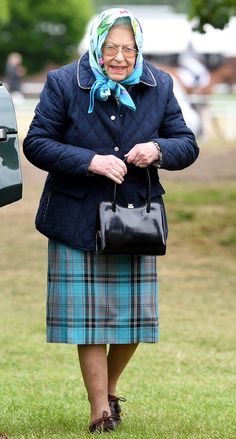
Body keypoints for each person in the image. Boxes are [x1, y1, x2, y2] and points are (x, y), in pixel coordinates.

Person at [23, 8, 199, 434]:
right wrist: (90, 161)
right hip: (75, 217)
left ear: (139, 49)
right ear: (96, 45)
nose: (118, 57)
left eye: (128, 48)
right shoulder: (64, 82)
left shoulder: (159, 84)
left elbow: (186, 144)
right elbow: (36, 144)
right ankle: (99, 410)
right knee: (88, 322)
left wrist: (158, 150)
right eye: (110, 48)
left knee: (133, 319)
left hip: (135, 220)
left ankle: (111, 389)